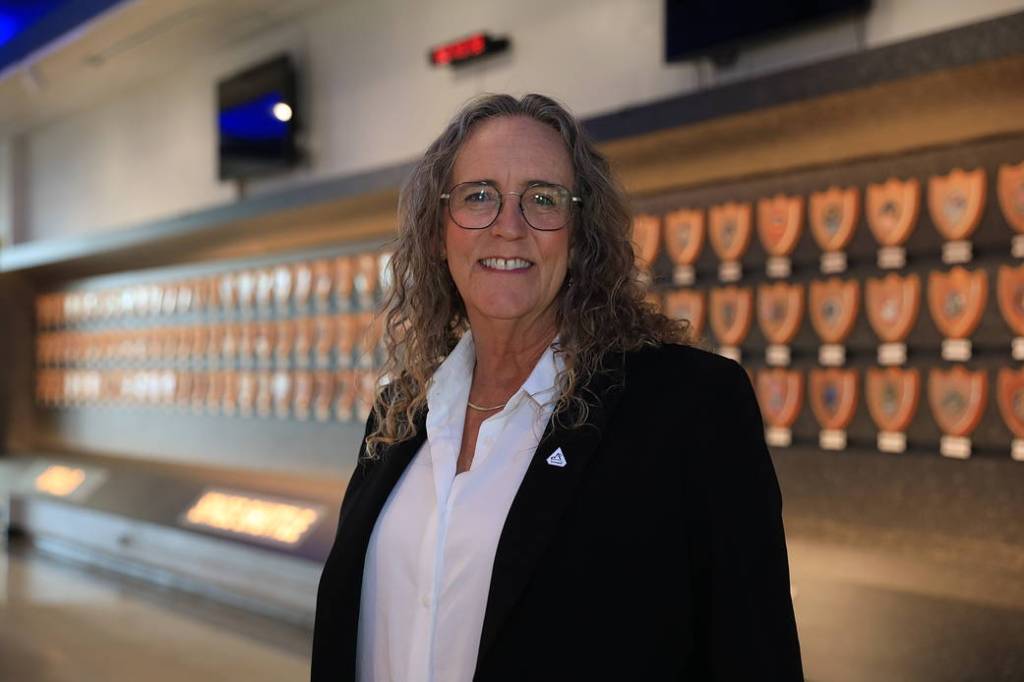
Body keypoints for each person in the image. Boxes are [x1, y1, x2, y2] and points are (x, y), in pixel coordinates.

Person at [311, 93, 803, 681]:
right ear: (440, 233)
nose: (508, 227)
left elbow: (753, 653)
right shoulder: (400, 412)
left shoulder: (689, 408)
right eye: (478, 197)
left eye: (542, 200)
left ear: (581, 234)